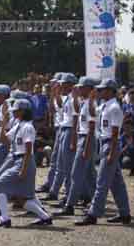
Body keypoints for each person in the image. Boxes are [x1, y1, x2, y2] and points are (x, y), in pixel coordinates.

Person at [76, 79, 131, 226]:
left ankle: (93, 214)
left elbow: (114, 134)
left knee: (101, 181)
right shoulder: (105, 106)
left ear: (110, 91)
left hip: (110, 144)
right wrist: (91, 100)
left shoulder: (114, 107)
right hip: (104, 143)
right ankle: (125, 213)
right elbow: (94, 114)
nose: (99, 92)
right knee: (116, 182)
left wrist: (112, 152)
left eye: (102, 90)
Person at [0, 99, 52, 228]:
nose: (14, 113)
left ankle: (5, 219)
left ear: (23, 111)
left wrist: (23, 169)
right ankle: (45, 217)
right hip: (19, 160)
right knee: (21, 198)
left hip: (24, 161)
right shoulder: (19, 125)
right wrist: (4, 123)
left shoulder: (27, 127)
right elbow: (4, 139)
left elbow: (29, 150)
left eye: (17, 111)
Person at [54, 77, 97, 216]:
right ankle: (93, 202)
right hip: (83, 137)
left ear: (90, 89)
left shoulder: (92, 103)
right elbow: (77, 114)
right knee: (89, 174)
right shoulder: (84, 101)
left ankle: (70, 205)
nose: (78, 89)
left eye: (82, 87)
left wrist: (84, 146)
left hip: (87, 138)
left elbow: (91, 127)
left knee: (76, 173)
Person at [43, 73, 78, 203]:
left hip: (69, 130)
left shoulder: (75, 98)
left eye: (62, 83)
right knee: (59, 162)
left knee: (68, 165)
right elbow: (56, 107)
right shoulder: (68, 97)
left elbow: (75, 119)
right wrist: (54, 92)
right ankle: (55, 191)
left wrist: (74, 138)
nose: (60, 85)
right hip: (63, 129)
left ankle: (70, 195)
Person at [36, 72, 64, 193]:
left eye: (55, 83)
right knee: (55, 159)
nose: (53, 85)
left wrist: (55, 93)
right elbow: (52, 109)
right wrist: (52, 93)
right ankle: (51, 184)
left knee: (62, 161)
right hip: (58, 128)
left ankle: (80, 190)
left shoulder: (68, 96)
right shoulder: (57, 95)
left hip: (65, 129)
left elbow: (60, 106)